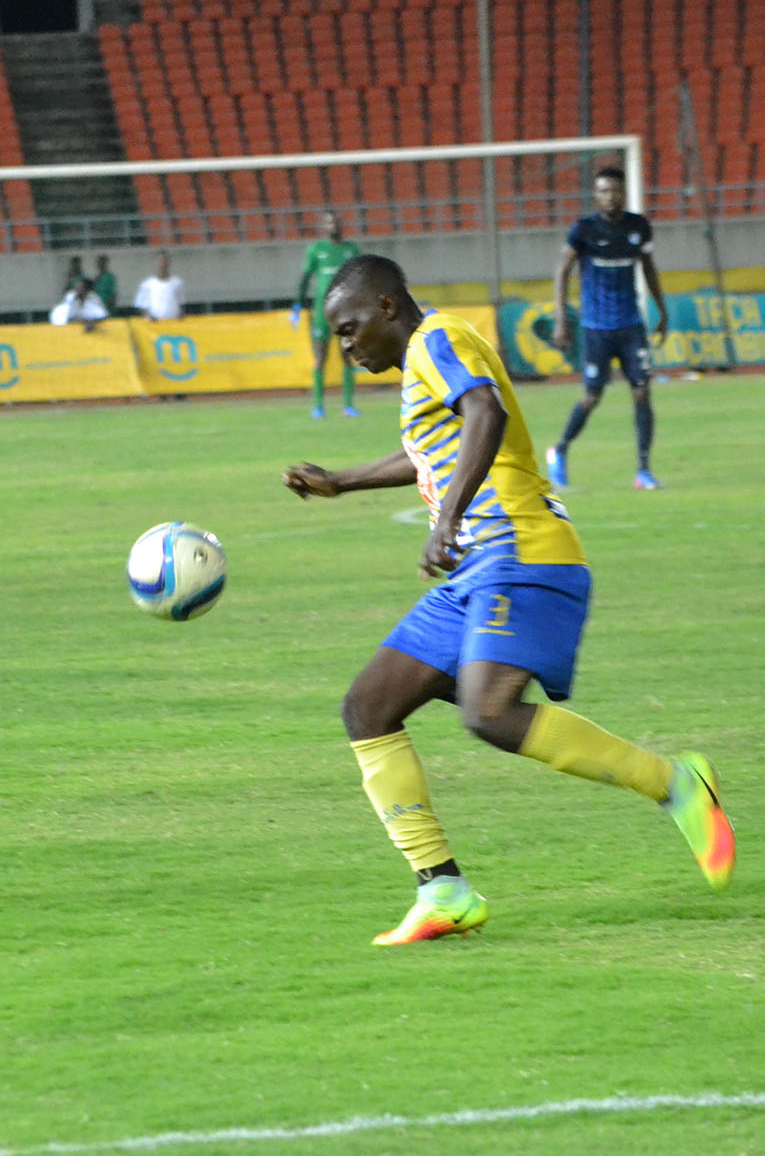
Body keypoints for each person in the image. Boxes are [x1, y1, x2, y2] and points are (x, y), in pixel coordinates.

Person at [282, 254, 732, 946]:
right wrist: (341, 481)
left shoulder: (438, 339)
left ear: (386, 307)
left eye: (348, 329)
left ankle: (675, 783)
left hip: (520, 549)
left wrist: (446, 518)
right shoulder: (424, 363)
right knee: (368, 707)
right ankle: (443, 889)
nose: (345, 347)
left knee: (488, 712)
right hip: (479, 568)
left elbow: (484, 413)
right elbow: (432, 452)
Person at [548, 167, 669, 490]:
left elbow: (649, 268)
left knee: (642, 392)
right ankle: (559, 450)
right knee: (592, 397)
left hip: (631, 326)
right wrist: (561, 321)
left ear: (624, 193)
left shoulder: (638, 227)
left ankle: (643, 470)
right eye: (604, 191)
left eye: (615, 190)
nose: (610, 196)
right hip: (596, 328)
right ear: (596, 195)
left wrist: (662, 309)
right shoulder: (584, 230)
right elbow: (562, 272)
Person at [292, 211, 361, 419]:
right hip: (322, 312)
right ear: (324, 227)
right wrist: (297, 305)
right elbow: (305, 278)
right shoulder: (316, 250)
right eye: (329, 223)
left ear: (341, 226)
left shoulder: (351, 249)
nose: (333, 226)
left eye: (336, 222)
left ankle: (348, 406)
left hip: (345, 312)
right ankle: (318, 406)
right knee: (320, 357)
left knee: (347, 356)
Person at [132, 251, 184, 321]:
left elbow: (181, 303)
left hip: (173, 323)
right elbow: (140, 305)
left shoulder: (177, 282)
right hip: (155, 324)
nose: (163, 263)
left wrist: (180, 315)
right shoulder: (147, 283)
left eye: (165, 260)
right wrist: (148, 316)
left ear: (169, 262)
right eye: (160, 260)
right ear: (156, 263)